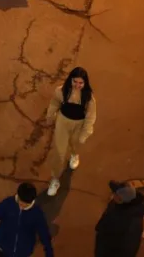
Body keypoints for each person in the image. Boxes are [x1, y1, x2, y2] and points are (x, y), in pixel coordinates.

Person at [0, 182, 53, 257]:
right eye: (20, 202)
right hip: (2, 250)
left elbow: (44, 233)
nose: (21, 206)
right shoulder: (8, 204)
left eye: (25, 205)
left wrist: (49, 253)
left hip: (22, 254)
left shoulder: (36, 213)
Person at [45, 67, 96, 196]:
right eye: (75, 81)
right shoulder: (61, 91)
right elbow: (54, 103)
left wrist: (85, 134)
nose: (78, 85)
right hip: (63, 122)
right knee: (59, 153)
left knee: (75, 144)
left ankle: (74, 154)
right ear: (70, 80)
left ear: (85, 83)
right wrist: (50, 116)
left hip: (79, 124)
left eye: (81, 83)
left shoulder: (89, 98)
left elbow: (90, 117)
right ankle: (55, 179)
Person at [94, 181, 144, 257]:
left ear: (121, 200)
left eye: (115, 194)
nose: (113, 195)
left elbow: (128, 249)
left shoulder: (131, 223)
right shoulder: (117, 204)